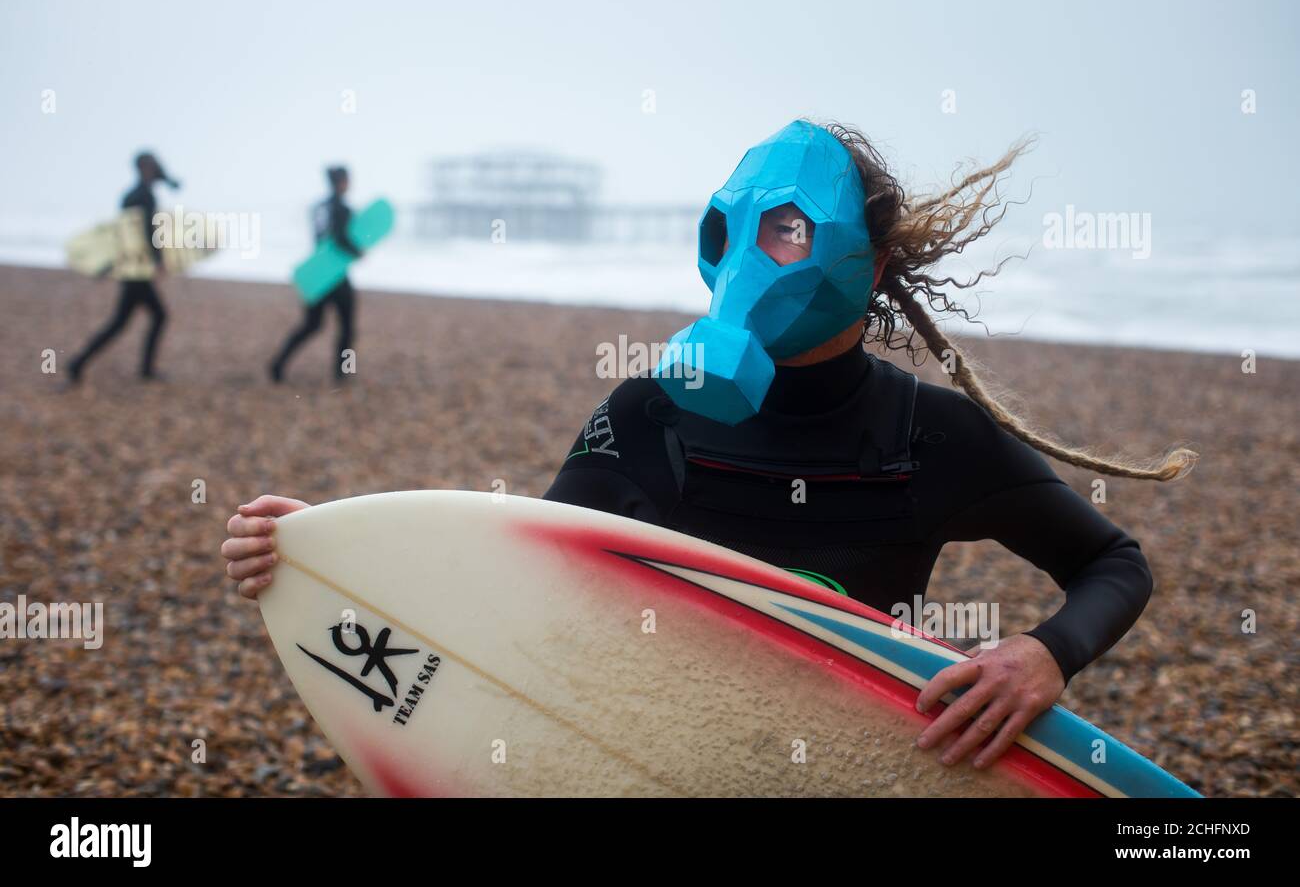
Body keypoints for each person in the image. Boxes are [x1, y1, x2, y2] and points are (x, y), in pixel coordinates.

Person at [221, 120, 1196, 771]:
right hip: (645, 756)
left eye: (787, 233)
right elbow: (521, 571)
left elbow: (1113, 560)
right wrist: (333, 551)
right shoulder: (652, 409)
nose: (748, 262)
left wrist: (1041, 655)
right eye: (731, 232)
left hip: (847, 765)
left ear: (872, 259)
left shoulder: (929, 434)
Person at [69, 151, 179, 382]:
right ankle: (143, 371)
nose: (156, 168)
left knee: (126, 321)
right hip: (137, 268)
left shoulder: (131, 195)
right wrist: (159, 260)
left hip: (132, 265)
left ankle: (80, 363)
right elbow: (149, 230)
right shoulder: (144, 196)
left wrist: (110, 263)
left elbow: (120, 233)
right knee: (153, 317)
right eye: (152, 165)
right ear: (144, 168)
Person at [269, 166, 362, 382]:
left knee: (311, 325)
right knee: (347, 328)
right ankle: (344, 373)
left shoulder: (319, 208)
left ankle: (277, 364)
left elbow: (322, 237)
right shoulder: (343, 209)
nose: (349, 184)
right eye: (348, 180)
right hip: (336, 276)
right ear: (341, 182)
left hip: (316, 275)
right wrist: (357, 251)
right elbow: (340, 239)